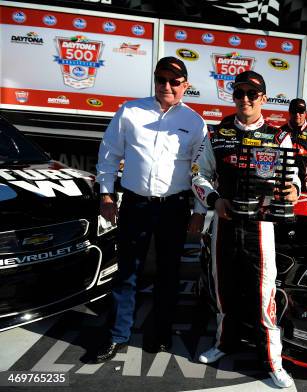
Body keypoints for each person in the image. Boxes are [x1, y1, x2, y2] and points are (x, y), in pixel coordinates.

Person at [93, 56, 207, 362]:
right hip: (136, 204)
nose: (166, 86)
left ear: (186, 85)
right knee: (128, 271)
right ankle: (117, 335)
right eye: (161, 79)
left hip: (175, 207)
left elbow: (201, 172)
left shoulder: (195, 122)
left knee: (168, 274)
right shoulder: (129, 111)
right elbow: (108, 155)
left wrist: (198, 210)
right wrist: (106, 195)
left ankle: (161, 334)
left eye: (174, 81)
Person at [190, 70, 298, 388]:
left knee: (264, 297)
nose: (245, 99)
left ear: (264, 98)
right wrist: (214, 199)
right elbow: (198, 172)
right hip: (224, 224)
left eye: (252, 94)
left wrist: (291, 190)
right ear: (233, 96)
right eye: (239, 93)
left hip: (260, 228)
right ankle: (224, 343)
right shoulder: (218, 133)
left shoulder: (280, 137)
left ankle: (273, 362)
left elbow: (293, 182)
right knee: (224, 292)